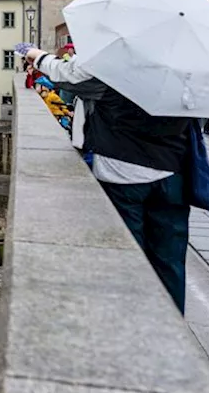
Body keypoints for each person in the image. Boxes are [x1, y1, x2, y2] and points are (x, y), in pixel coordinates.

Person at [27, 47, 198, 314]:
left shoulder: (117, 58)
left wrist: (38, 58)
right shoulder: (188, 62)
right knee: (170, 262)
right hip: (173, 173)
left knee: (128, 258)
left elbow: (71, 77)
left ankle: (130, 324)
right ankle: (173, 330)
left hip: (123, 172)